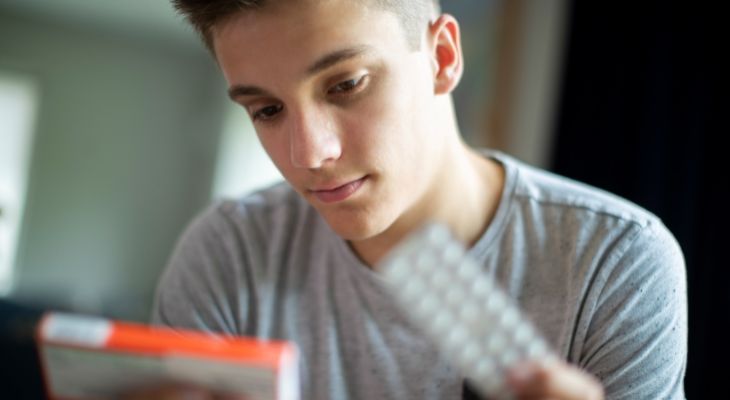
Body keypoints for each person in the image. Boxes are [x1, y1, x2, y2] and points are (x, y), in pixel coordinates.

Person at [150, 0, 687, 399]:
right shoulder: (228, 256)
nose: (310, 153)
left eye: (346, 85)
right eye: (267, 110)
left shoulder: (615, 262)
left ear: (443, 57)